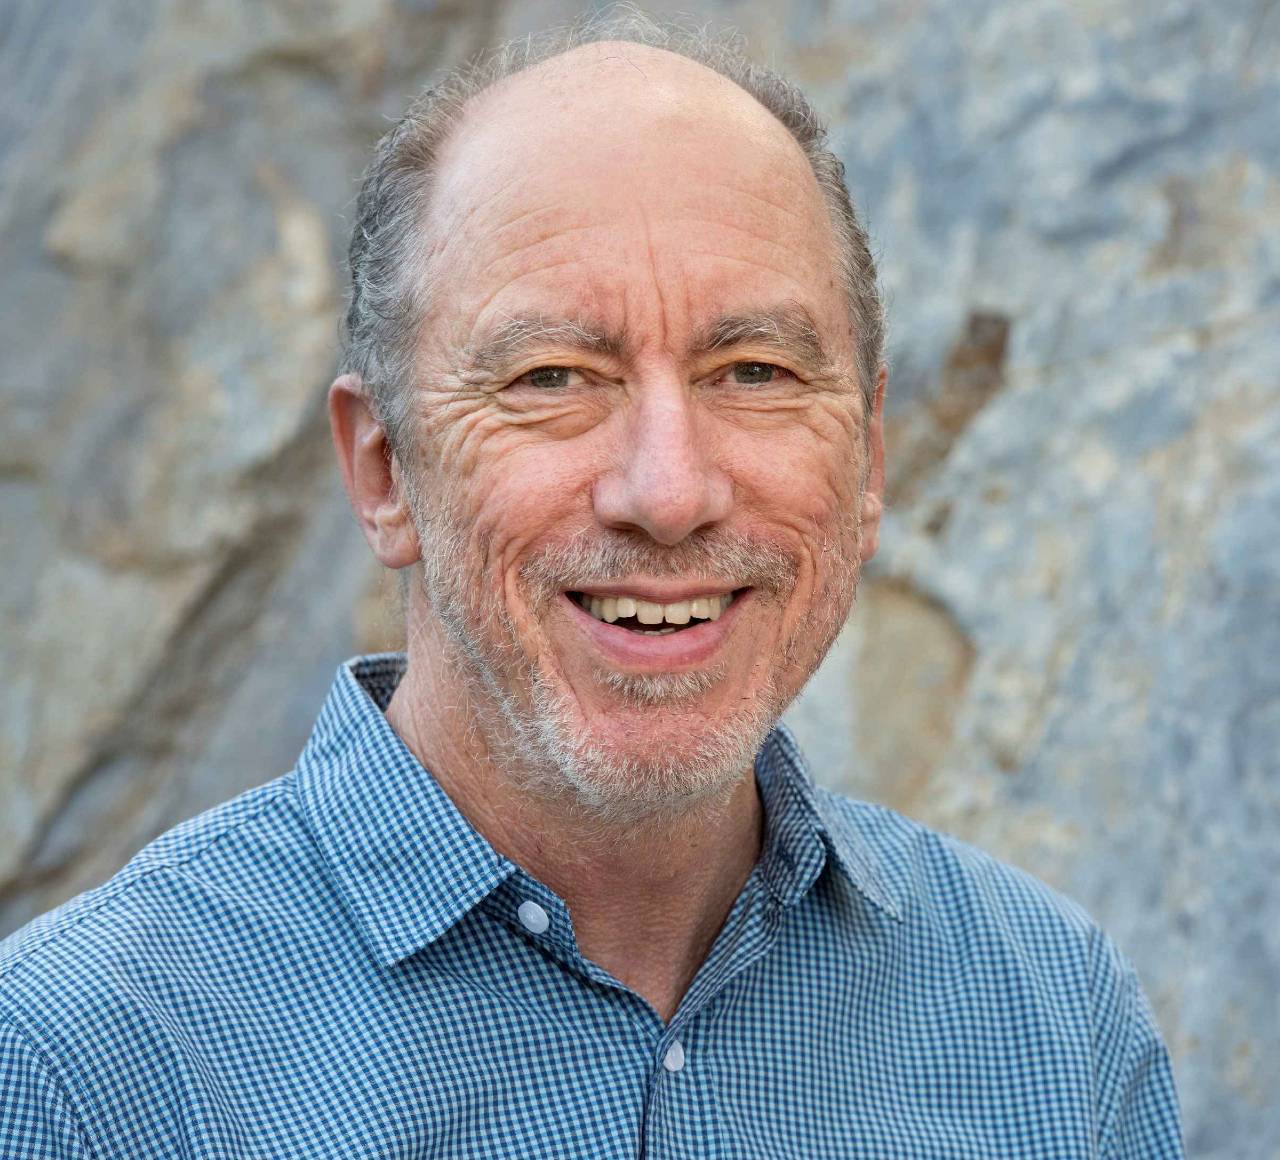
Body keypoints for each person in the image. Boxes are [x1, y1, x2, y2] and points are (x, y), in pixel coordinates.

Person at [0, 16, 1182, 1158]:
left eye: (754, 370)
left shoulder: (1048, 1024)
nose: (666, 491)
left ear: (867, 459)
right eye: (553, 374)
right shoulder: (81, 1067)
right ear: (382, 470)